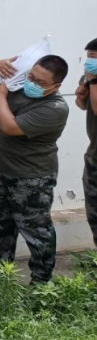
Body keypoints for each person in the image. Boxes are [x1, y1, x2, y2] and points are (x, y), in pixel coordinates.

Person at [0, 54, 69, 284]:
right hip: (2, 171)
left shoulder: (55, 108)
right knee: (1, 226)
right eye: (31, 76)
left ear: (56, 86)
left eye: (40, 82)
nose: (31, 83)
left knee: (36, 232)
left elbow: (9, 126)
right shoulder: (24, 88)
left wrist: (0, 97)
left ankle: (41, 282)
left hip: (32, 179)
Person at [75, 38, 97, 247]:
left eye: (95, 57)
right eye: (89, 56)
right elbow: (84, 106)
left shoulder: (93, 78)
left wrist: (94, 82)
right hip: (94, 155)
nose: (90, 61)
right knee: (94, 212)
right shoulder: (88, 77)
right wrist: (81, 96)